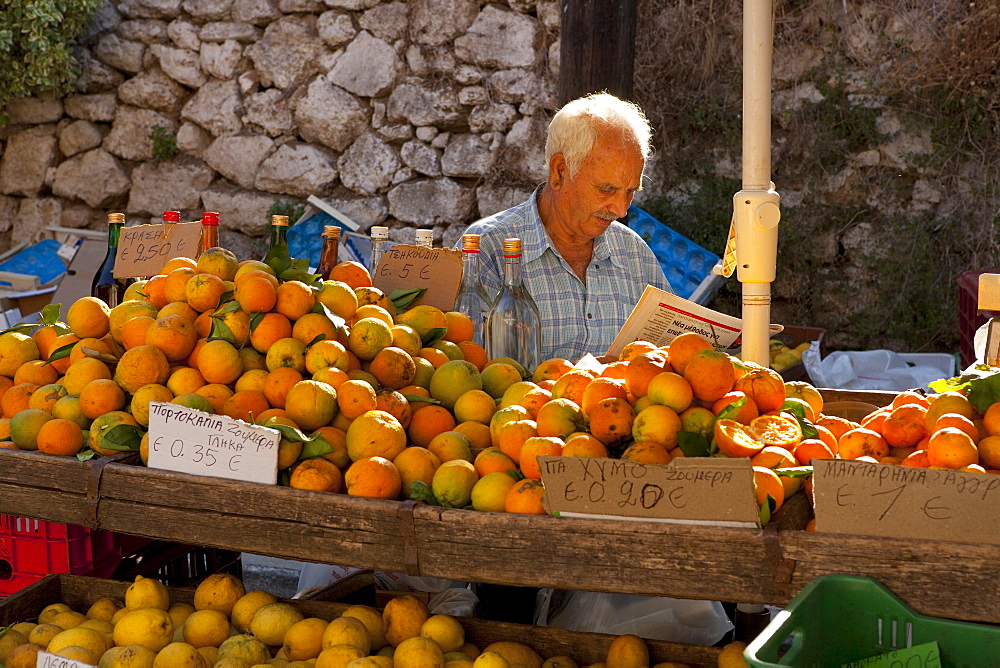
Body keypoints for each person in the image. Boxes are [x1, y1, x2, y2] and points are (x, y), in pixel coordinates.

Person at [462, 92, 673, 362]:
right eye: (606, 189)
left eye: (631, 191)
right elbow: (469, 372)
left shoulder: (634, 253)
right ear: (559, 171)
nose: (621, 210)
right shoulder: (486, 248)